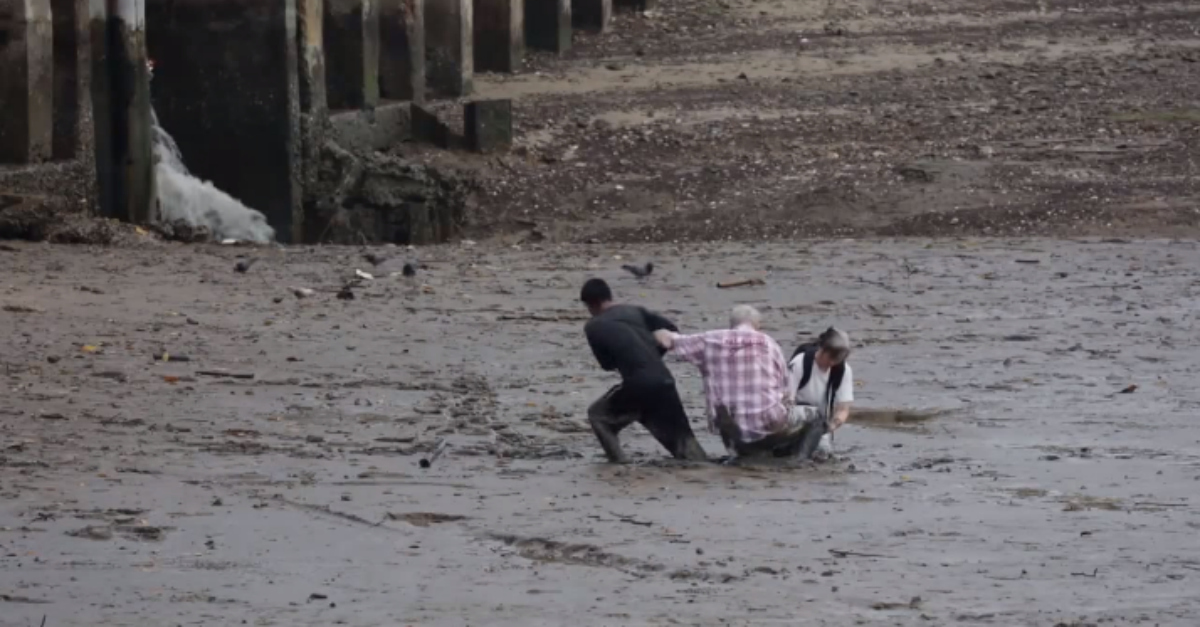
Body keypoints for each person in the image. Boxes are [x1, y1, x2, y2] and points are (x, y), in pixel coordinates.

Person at [653, 305, 810, 459]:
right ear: (757, 325)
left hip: (729, 422)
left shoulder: (711, 340)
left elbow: (669, 341)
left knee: (725, 415)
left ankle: (740, 452)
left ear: (732, 324)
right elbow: (785, 388)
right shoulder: (770, 344)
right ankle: (798, 459)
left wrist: (658, 331)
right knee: (816, 416)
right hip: (769, 420)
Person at [580, 278, 707, 463]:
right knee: (684, 444)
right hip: (664, 382)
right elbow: (671, 330)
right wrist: (652, 352)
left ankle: (619, 464)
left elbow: (607, 365)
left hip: (636, 385)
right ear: (609, 296)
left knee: (598, 415)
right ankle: (709, 470)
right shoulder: (635, 311)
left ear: (589, 304)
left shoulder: (593, 326)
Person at [787, 327, 854, 460]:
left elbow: (843, 408)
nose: (832, 363)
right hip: (795, 417)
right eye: (830, 357)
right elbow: (786, 400)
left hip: (821, 425)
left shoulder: (843, 370)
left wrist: (832, 425)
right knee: (816, 417)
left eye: (837, 360)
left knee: (823, 454)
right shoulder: (801, 363)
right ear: (822, 349)